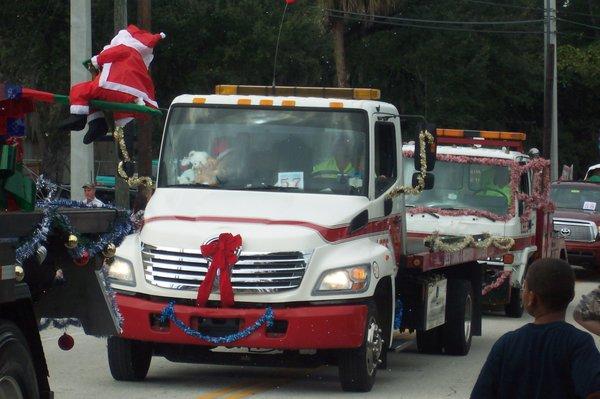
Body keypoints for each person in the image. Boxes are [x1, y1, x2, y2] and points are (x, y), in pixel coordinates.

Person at [471, 258, 600, 399]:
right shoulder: (579, 344)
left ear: (531, 298)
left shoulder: (507, 344)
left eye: (524, 288)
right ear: (572, 296)